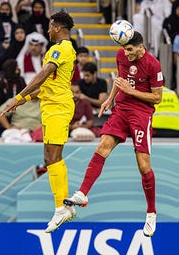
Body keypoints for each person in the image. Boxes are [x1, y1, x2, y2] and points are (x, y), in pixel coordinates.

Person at [64, 31, 163, 237]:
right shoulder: (121, 55)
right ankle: (82, 194)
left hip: (141, 113)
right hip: (121, 109)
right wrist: (110, 99)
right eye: (124, 49)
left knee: (143, 165)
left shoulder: (153, 64)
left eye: (129, 49)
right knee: (102, 147)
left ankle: (151, 213)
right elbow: (120, 80)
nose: (125, 53)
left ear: (139, 46)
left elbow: (157, 98)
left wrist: (131, 91)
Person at [0, 11, 78, 233]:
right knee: (48, 156)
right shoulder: (63, 49)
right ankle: (64, 206)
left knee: (53, 156)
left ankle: (62, 206)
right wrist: (21, 101)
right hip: (50, 105)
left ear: (57, 27)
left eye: (49, 26)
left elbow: (42, 76)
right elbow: (44, 87)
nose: (47, 30)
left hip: (58, 108)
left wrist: (17, 96)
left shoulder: (61, 48)